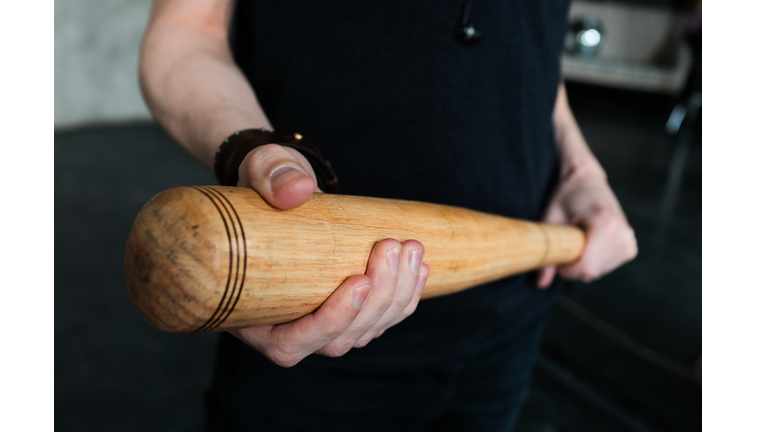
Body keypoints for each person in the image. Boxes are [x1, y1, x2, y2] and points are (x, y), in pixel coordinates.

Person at [139, 1, 638, 430]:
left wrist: (580, 166)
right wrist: (252, 146)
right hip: (312, 311)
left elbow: (532, 45)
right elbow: (185, 36)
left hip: (513, 313)